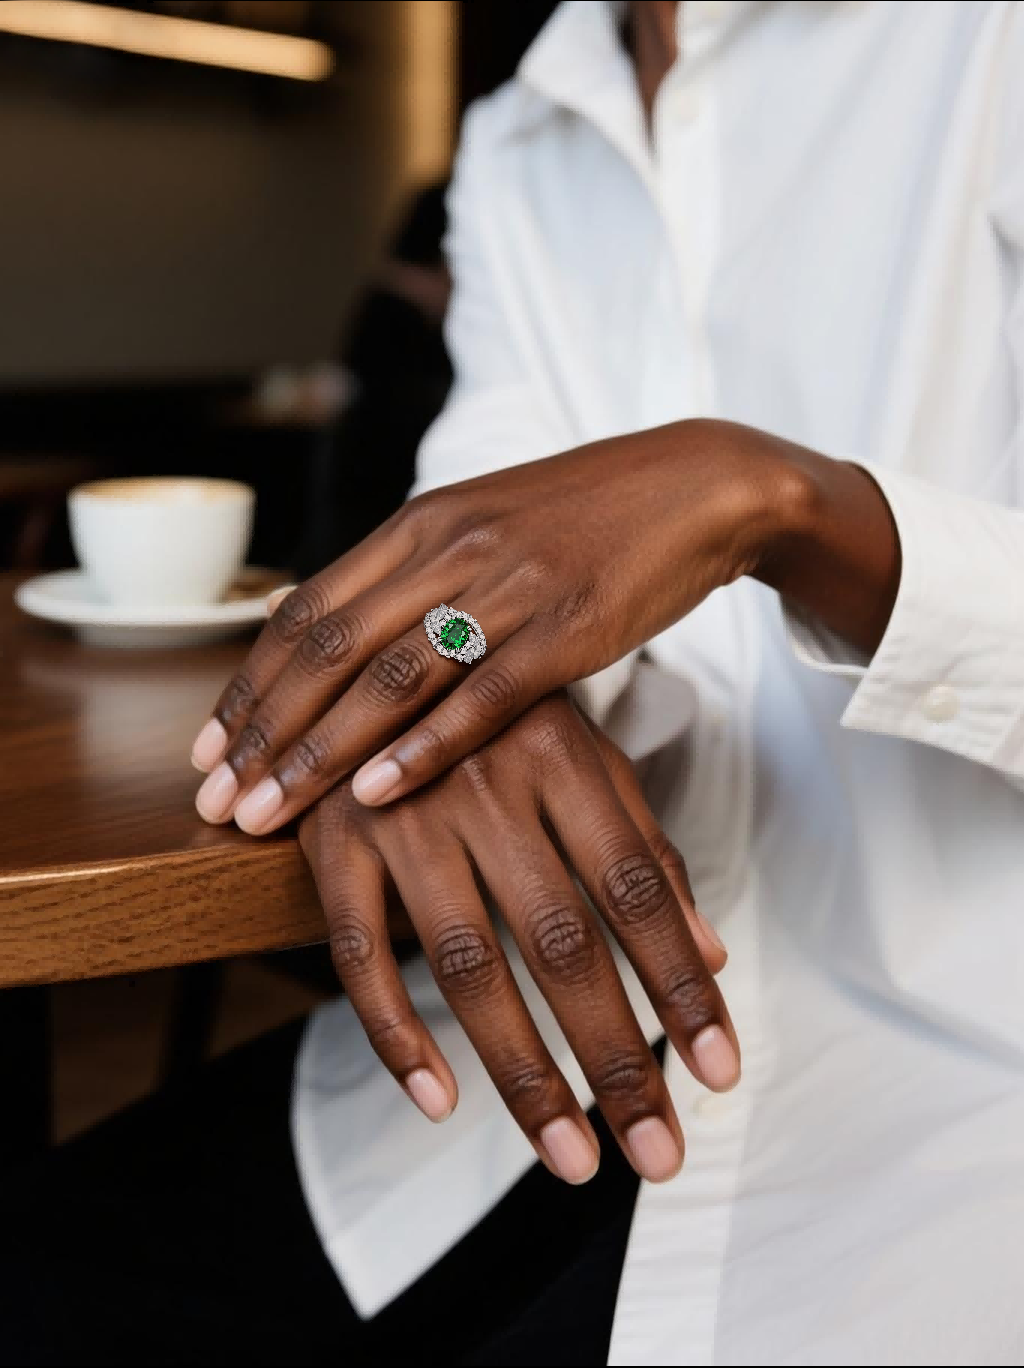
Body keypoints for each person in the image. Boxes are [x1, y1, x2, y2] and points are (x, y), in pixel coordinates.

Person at [5, 3, 1023, 1364]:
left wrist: (782, 503)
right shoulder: (516, 140)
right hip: (506, 1075)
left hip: (955, 1109)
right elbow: (466, 566)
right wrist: (441, 692)